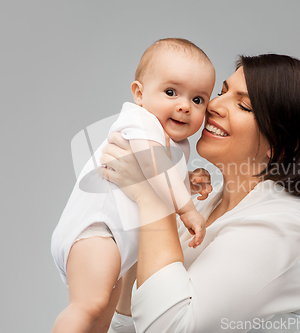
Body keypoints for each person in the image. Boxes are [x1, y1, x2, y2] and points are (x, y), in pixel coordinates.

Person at [99, 54, 300, 333]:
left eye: (243, 106)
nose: (213, 105)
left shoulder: (287, 228)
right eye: (221, 92)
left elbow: (170, 328)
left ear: (283, 143)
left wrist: (151, 198)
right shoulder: (205, 204)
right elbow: (126, 324)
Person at [50, 38, 216, 333]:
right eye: (170, 92)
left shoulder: (176, 143)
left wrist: (188, 182)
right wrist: (188, 208)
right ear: (139, 94)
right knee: (88, 305)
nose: (184, 106)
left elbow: (156, 180)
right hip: (98, 231)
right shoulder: (139, 121)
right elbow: (152, 165)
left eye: (198, 100)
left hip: (117, 243)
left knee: (102, 318)